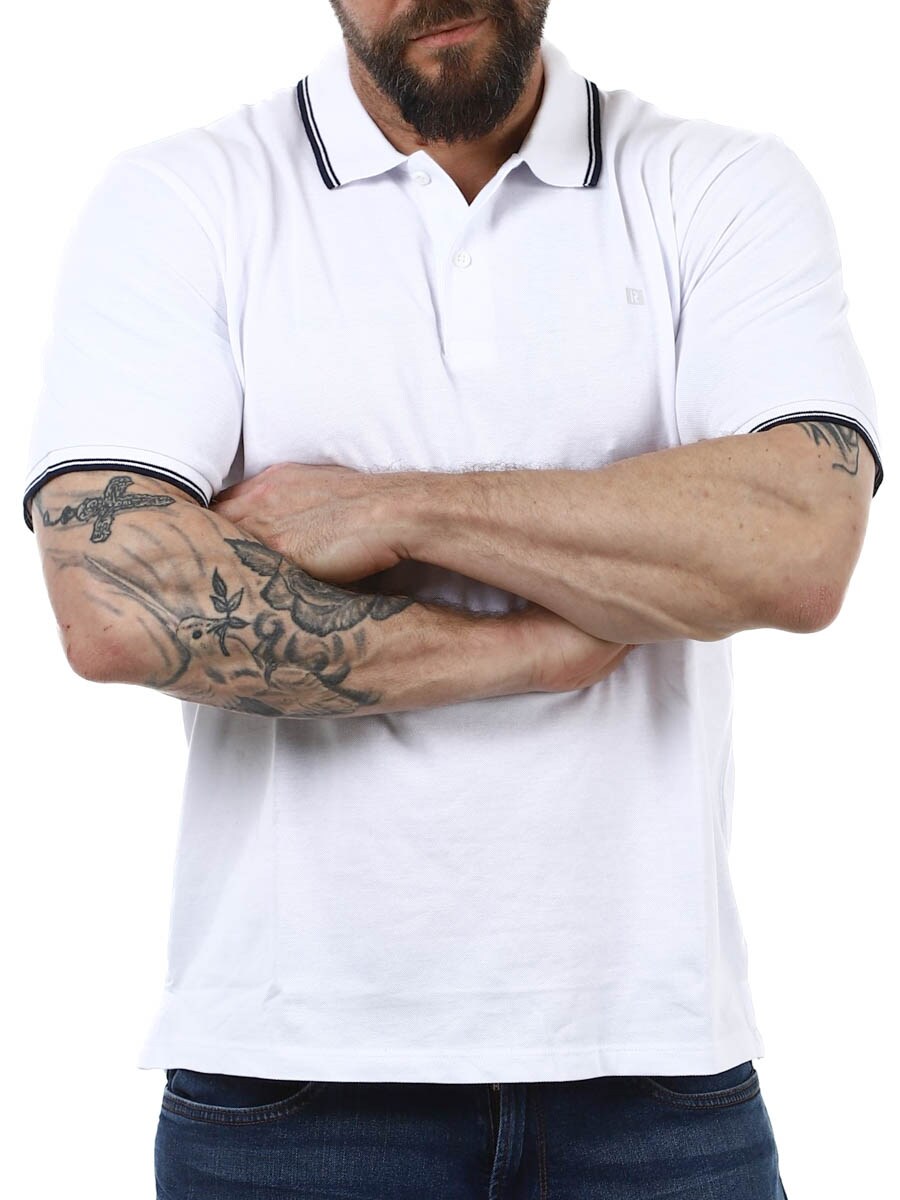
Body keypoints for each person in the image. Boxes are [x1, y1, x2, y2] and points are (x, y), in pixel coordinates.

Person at [23, 2, 883, 1197]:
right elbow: (114, 597)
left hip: (653, 1063)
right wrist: (529, 650)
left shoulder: (716, 185)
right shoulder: (187, 197)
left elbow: (798, 543)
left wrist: (402, 511)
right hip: (292, 1074)